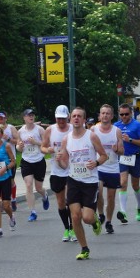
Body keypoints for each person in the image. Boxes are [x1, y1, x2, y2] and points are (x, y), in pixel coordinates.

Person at [57, 107, 108, 260]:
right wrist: (59, 160)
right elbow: (64, 164)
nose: (76, 118)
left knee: (86, 217)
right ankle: (84, 248)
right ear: (70, 119)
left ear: (84, 120)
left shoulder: (91, 136)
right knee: (75, 215)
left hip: (90, 181)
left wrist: (96, 163)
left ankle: (95, 221)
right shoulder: (66, 139)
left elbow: (104, 156)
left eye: (79, 116)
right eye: (74, 116)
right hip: (73, 180)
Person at [41, 105, 74, 241]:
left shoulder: (73, 129)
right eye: (59, 118)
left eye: (63, 118)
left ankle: (73, 228)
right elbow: (42, 147)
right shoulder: (50, 130)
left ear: (68, 117)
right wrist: (48, 150)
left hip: (72, 170)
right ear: (55, 118)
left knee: (69, 200)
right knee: (61, 202)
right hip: (56, 171)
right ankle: (67, 228)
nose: (61, 121)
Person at [92, 104, 125, 235]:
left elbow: (122, 151)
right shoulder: (94, 129)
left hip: (112, 168)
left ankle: (109, 222)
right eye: (102, 113)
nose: (105, 115)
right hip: (99, 167)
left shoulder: (116, 131)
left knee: (111, 197)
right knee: (99, 192)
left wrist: (117, 149)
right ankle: (101, 214)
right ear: (99, 115)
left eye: (107, 113)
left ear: (111, 116)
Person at [114, 103, 140, 223]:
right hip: (122, 158)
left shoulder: (137, 125)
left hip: (135, 157)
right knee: (122, 183)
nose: (124, 116)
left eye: (126, 114)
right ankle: (123, 212)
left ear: (131, 113)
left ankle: (139, 207)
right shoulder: (116, 126)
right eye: (121, 114)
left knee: (135, 185)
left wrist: (131, 140)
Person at [16, 108, 50, 222]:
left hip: (39, 161)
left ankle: (44, 196)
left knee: (39, 188)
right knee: (29, 185)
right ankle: (33, 212)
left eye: (32, 115)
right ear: (24, 118)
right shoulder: (20, 132)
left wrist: (35, 142)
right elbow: (18, 147)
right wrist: (19, 147)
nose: (31, 117)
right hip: (26, 161)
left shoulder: (39, 130)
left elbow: (47, 144)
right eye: (28, 115)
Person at [0, 111, 20, 211]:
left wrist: (8, 138)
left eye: (2, 118)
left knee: (10, 181)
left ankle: (13, 200)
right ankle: (3, 203)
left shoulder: (11, 128)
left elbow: (18, 141)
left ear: (6, 118)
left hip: (10, 159)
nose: (0, 120)